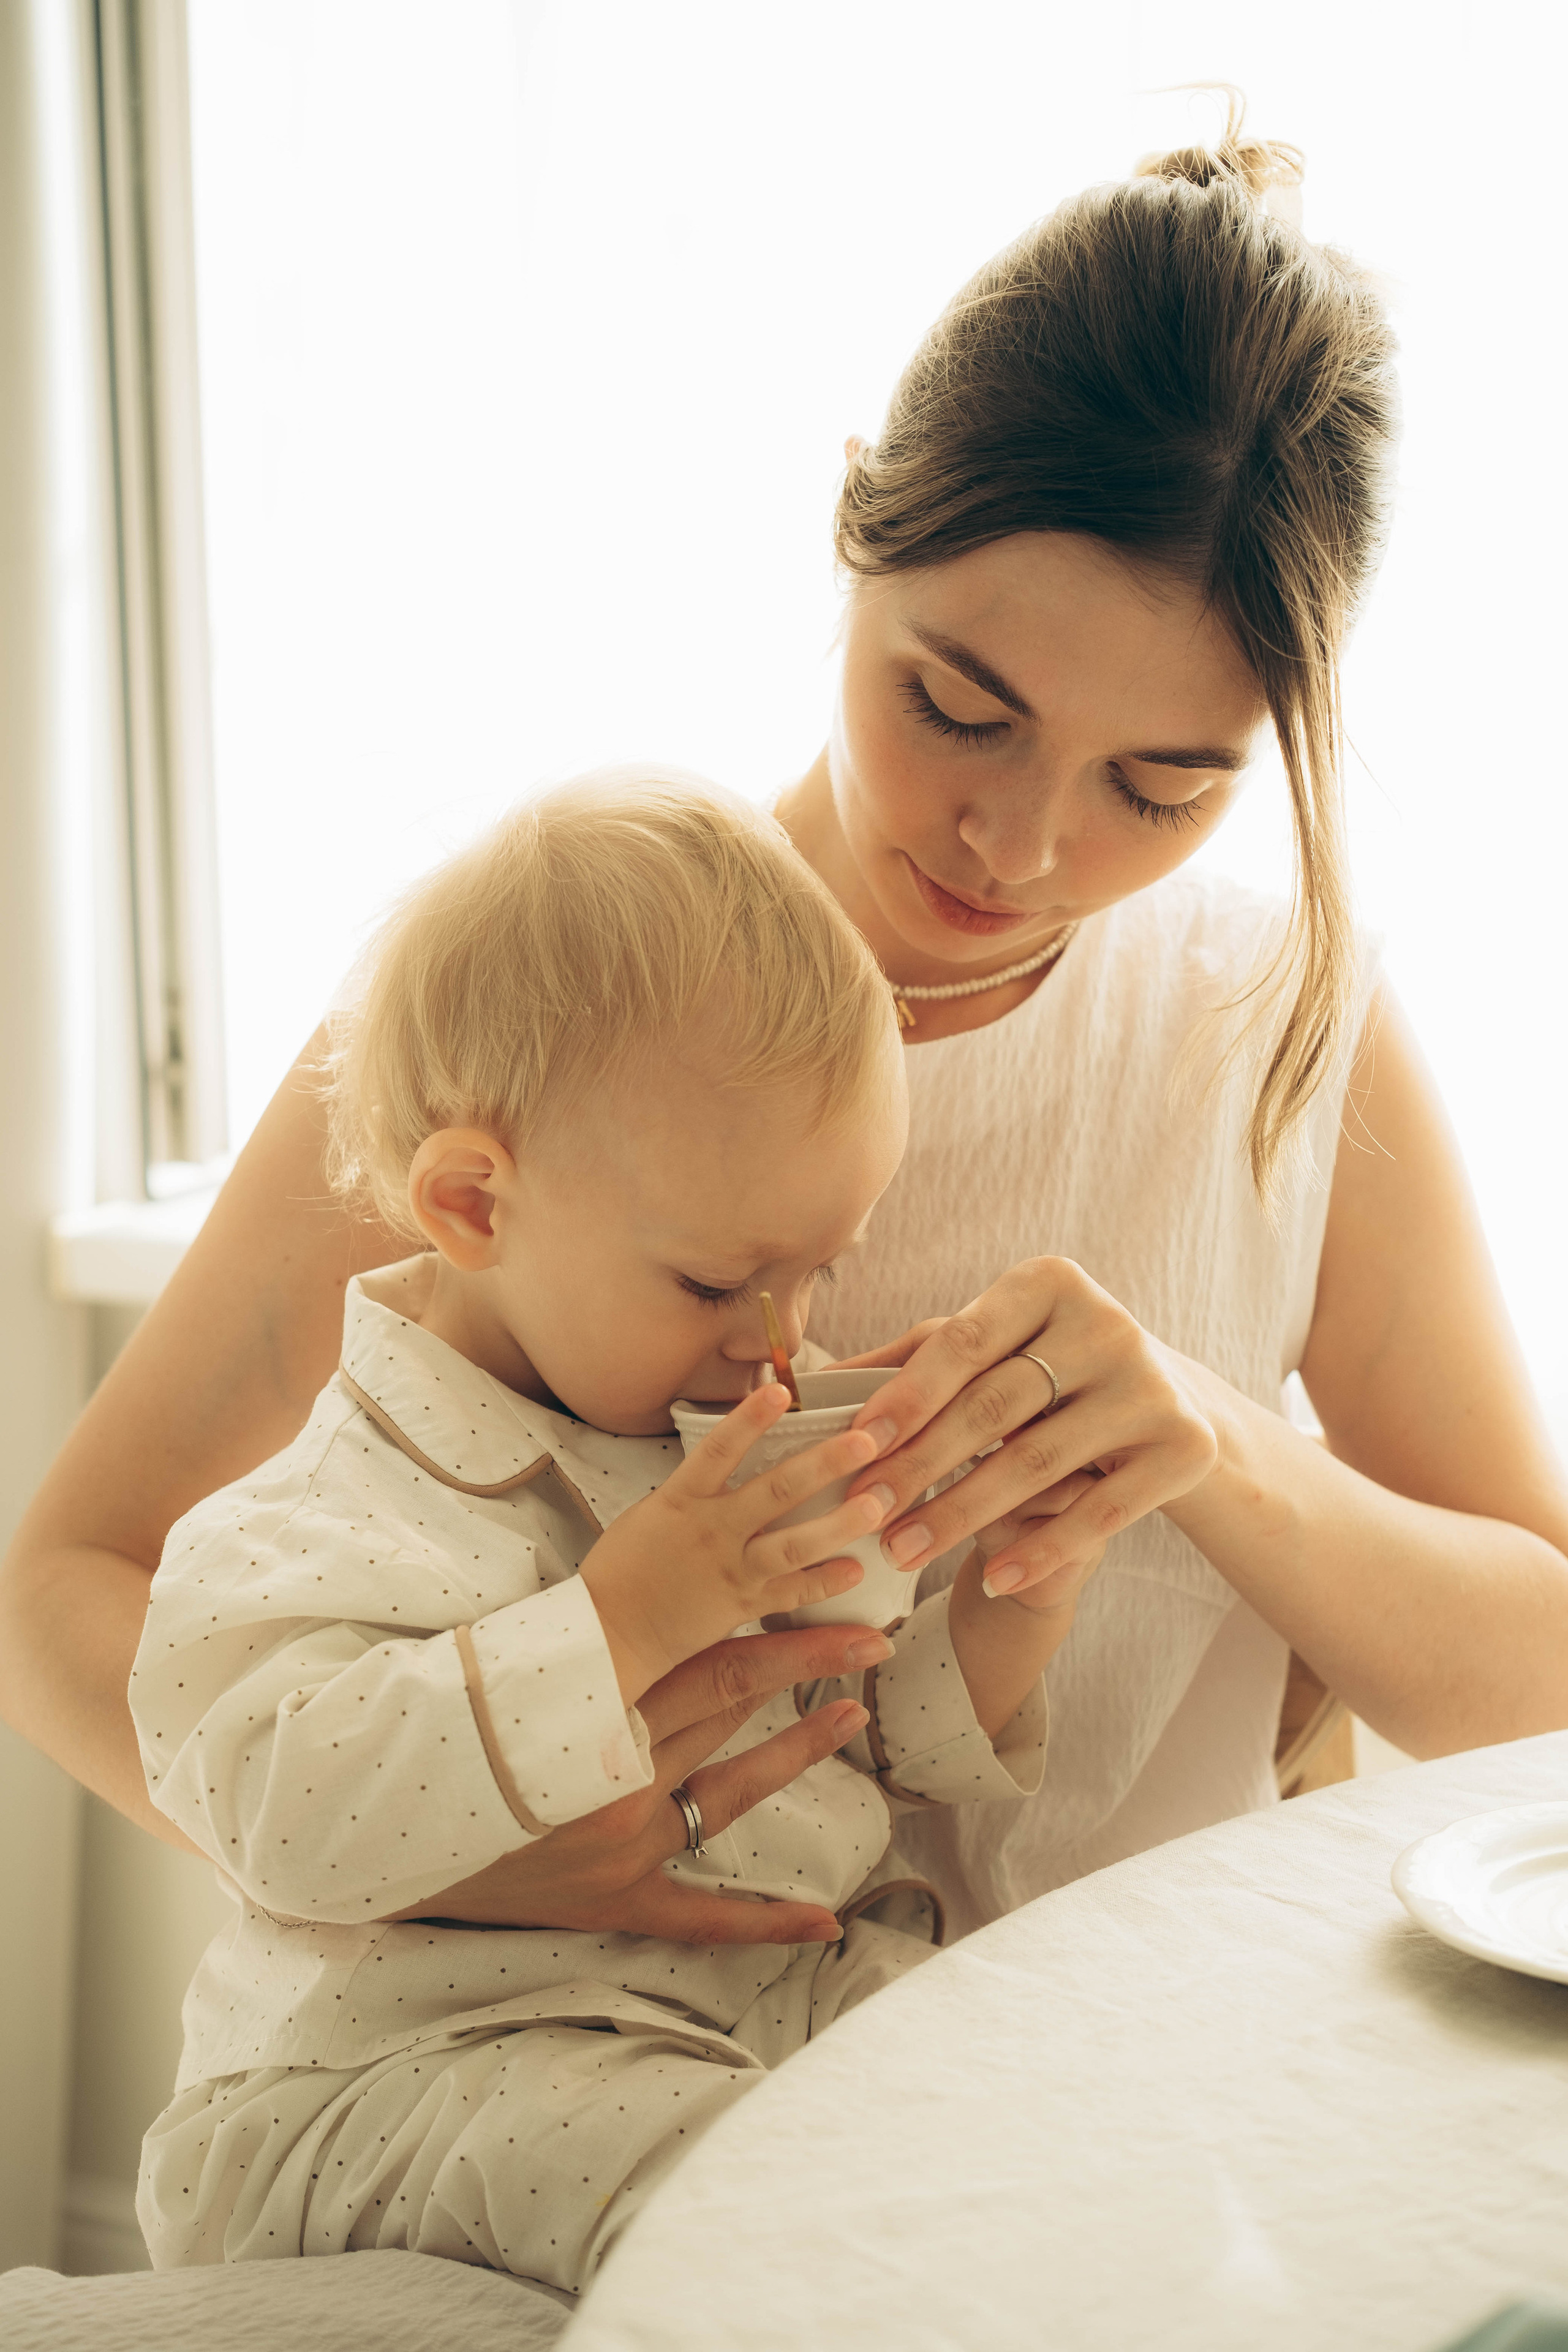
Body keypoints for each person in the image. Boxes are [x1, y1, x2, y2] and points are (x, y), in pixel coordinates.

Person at [5, 115, 1567, 1951]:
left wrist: (1220, 1449)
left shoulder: (1284, 1034)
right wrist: (460, 1873)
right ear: (854, 521)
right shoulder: (560, 1003)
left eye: (1161, 787)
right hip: (608, 2113)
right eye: (959, 706)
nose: (1025, 848)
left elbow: (1536, 1692)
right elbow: (66, 1592)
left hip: (1135, 2103)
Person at [131, 778, 1054, 2288]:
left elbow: (861, 1727)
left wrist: (1015, 1583)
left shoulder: (705, 1435)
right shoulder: (306, 1521)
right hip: (386, 2085)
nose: (779, 1345)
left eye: (819, 1273)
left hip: (748, 2005)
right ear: (473, 1203)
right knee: (712, 2173)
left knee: (1019, 2075)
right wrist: (619, 1619)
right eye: (714, 1284)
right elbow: (277, 1816)